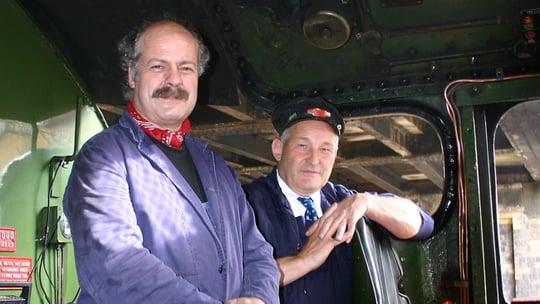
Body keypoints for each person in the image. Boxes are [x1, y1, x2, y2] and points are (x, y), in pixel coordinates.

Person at [63, 17, 279, 304]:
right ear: (132, 75)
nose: (173, 80)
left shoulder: (215, 166)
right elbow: (117, 266)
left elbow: (257, 251)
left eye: (185, 68)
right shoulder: (103, 158)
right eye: (158, 66)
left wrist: (258, 297)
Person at [243, 97, 434, 304]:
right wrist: (303, 261)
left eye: (325, 149)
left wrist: (366, 202)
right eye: (302, 145)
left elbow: (422, 224)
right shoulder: (243, 205)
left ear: (335, 156)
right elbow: (227, 280)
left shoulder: (346, 201)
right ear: (278, 149)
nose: (314, 159)